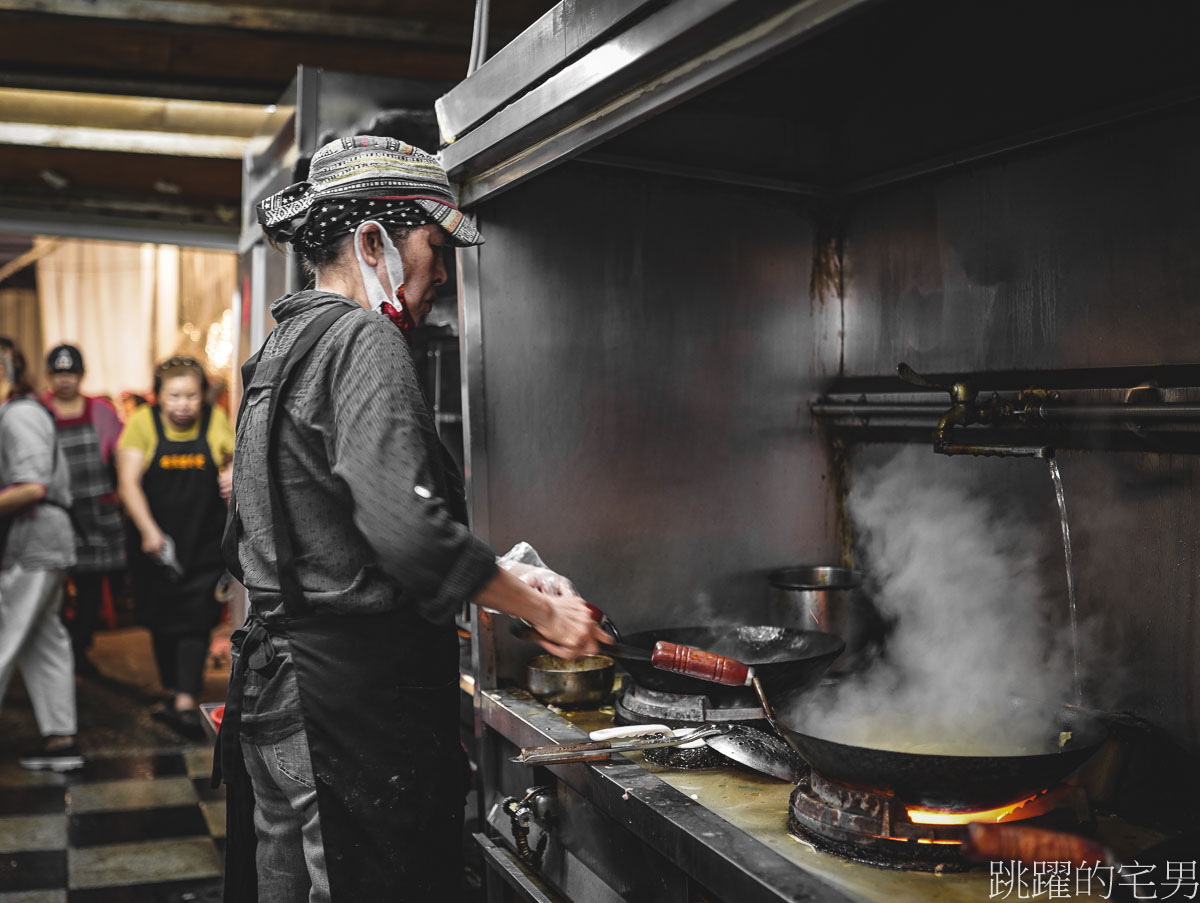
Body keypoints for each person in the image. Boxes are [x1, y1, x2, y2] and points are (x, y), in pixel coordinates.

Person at [218, 135, 609, 903]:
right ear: (373, 242)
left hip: (276, 690)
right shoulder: (363, 338)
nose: (442, 276)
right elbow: (404, 528)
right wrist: (542, 608)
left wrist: (503, 574)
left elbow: (293, 519)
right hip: (343, 707)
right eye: (434, 246)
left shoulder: (284, 344)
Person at [117, 357, 233, 738]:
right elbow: (129, 483)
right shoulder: (141, 424)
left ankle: (185, 700)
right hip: (155, 545)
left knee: (196, 620)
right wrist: (149, 532)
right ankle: (173, 691)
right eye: (175, 396)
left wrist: (232, 472)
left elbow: (234, 457)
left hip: (203, 543)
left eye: (191, 395)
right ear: (159, 397)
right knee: (160, 620)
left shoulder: (214, 420)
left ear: (202, 396)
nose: (183, 404)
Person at [0, 337, 82, 771]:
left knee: (7, 638)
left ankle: (61, 738)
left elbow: (32, 486)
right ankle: (60, 741)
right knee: (41, 641)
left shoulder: (20, 413)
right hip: (41, 541)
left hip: (35, 539)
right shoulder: (21, 412)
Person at [43, 344, 126, 676]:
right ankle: (55, 651)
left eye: (71, 373)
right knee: (51, 589)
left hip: (96, 514)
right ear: (50, 376)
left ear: (81, 375)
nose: (65, 380)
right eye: (59, 373)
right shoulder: (37, 411)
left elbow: (122, 458)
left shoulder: (102, 412)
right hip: (53, 513)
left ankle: (80, 649)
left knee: (92, 588)